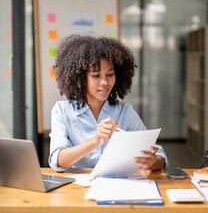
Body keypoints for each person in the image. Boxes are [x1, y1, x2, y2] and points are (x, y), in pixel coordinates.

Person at [48, 34, 169, 172]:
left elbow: (158, 154)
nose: (105, 82)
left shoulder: (124, 111)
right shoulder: (62, 111)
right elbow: (58, 161)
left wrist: (154, 162)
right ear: (80, 78)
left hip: (118, 187)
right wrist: (95, 141)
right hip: (76, 190)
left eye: (110, 74)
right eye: (96, 75)